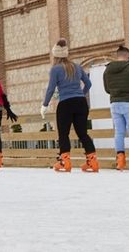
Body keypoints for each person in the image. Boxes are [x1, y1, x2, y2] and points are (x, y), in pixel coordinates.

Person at [40, 39, 97, 172]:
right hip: (81, 103)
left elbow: (50, 88)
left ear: (55, 55)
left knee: (64, 134)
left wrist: (45, 105)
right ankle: (92, 161)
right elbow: (88, 84)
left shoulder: (55, 69)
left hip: (65, 103)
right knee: (83, 133)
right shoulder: (77, 66)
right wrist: (81, 94)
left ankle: (65, 162)